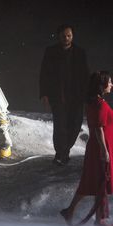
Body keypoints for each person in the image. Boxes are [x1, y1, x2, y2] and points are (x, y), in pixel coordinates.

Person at [60, 71, 113, 226]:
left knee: (93, 182)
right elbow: (98, 129)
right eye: (109, 82)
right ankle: (100, 219)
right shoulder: (99, 104)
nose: (111, 85)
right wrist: (104, 151)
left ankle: (70, 211)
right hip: (100, 148)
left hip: (98, 147)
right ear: (101, 85)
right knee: (100, 182)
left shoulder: (95, 102)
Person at [39, 24, 90, 165]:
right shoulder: (50, 51)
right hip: (58, 96)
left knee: (75, 125)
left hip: (76, 97)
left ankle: (64, 151)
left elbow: (86, 75)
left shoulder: (80, 52)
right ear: (58, 36)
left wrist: (87, 96)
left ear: (72, 36)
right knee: (60, 126)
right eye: (63, 36)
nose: (66, 38)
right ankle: (60, 154)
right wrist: (44, 94)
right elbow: (44, 74)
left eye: (69, 36)